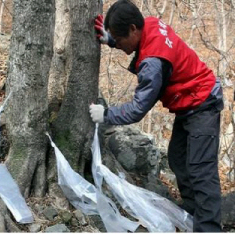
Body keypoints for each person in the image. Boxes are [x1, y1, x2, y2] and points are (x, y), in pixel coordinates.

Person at [90, 0, 224, 232]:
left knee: (201, 171)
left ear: (133, 29)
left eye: (120, 40)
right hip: (189, 102)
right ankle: (193, 215)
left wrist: (107, 114)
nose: (120, 46)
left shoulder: (153, 63)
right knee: (178, 159)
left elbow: (138, 109)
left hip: (203, 102)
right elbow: (139, 44)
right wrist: (110, 39)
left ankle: (209, 228)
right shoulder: (149, 23)